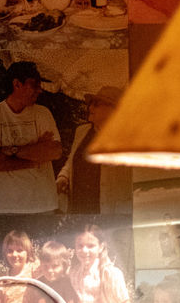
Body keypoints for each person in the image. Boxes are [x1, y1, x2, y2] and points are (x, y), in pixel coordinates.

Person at [0, 61, 61, 215]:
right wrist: (35, 157)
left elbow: (55, 152)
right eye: (34, 85)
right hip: (5, 207)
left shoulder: (43, 113)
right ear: (17, 84)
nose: (39, 90)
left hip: (44, 205)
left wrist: (11, 151)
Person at [56, 87, 132, 216]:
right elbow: (71, 161)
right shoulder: (82, 131)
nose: (90, 107)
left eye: (96, 104)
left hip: (110, 211)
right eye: (90, 103)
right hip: (79, 209)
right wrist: (63, 177)